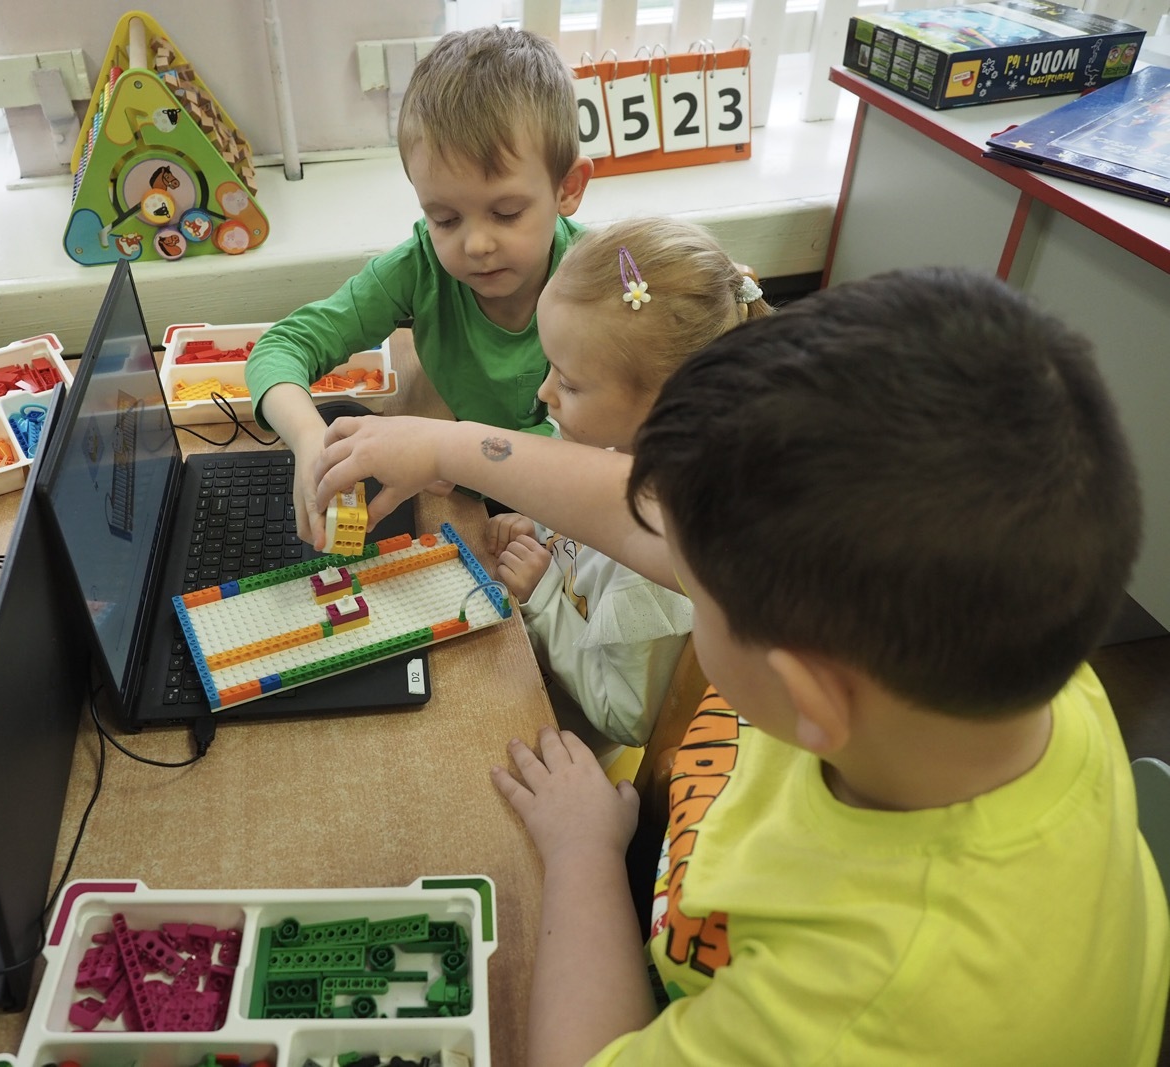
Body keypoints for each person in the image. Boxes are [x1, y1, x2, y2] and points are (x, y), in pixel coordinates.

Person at [312, 268, 1169, 1064]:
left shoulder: (854, 1009)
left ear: (803, 695)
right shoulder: (997, 638)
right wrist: (447, 447)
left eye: (689, 580)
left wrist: (581, 855)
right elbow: (652, 519)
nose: (656, 554)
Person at [243, 25, 592, 546]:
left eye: (506, 212)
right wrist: (309, 440)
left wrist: (450, 450)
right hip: (462, 490)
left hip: (571, 504)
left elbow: (608, 444)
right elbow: (280, 348)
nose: (476, 244)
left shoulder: (599, 281)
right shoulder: (419, 267)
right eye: (445, 219)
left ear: (567, 188)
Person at [488, 217, 770, 756]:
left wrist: (542, 594)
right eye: (551, 367)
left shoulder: (655, 566)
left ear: (664, 404)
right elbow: (573, 541)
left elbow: (624, 717)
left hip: (562, 738)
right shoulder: (603, 440)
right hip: (522, 663)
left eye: (569, 383)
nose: (545, 393)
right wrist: (535, 530)